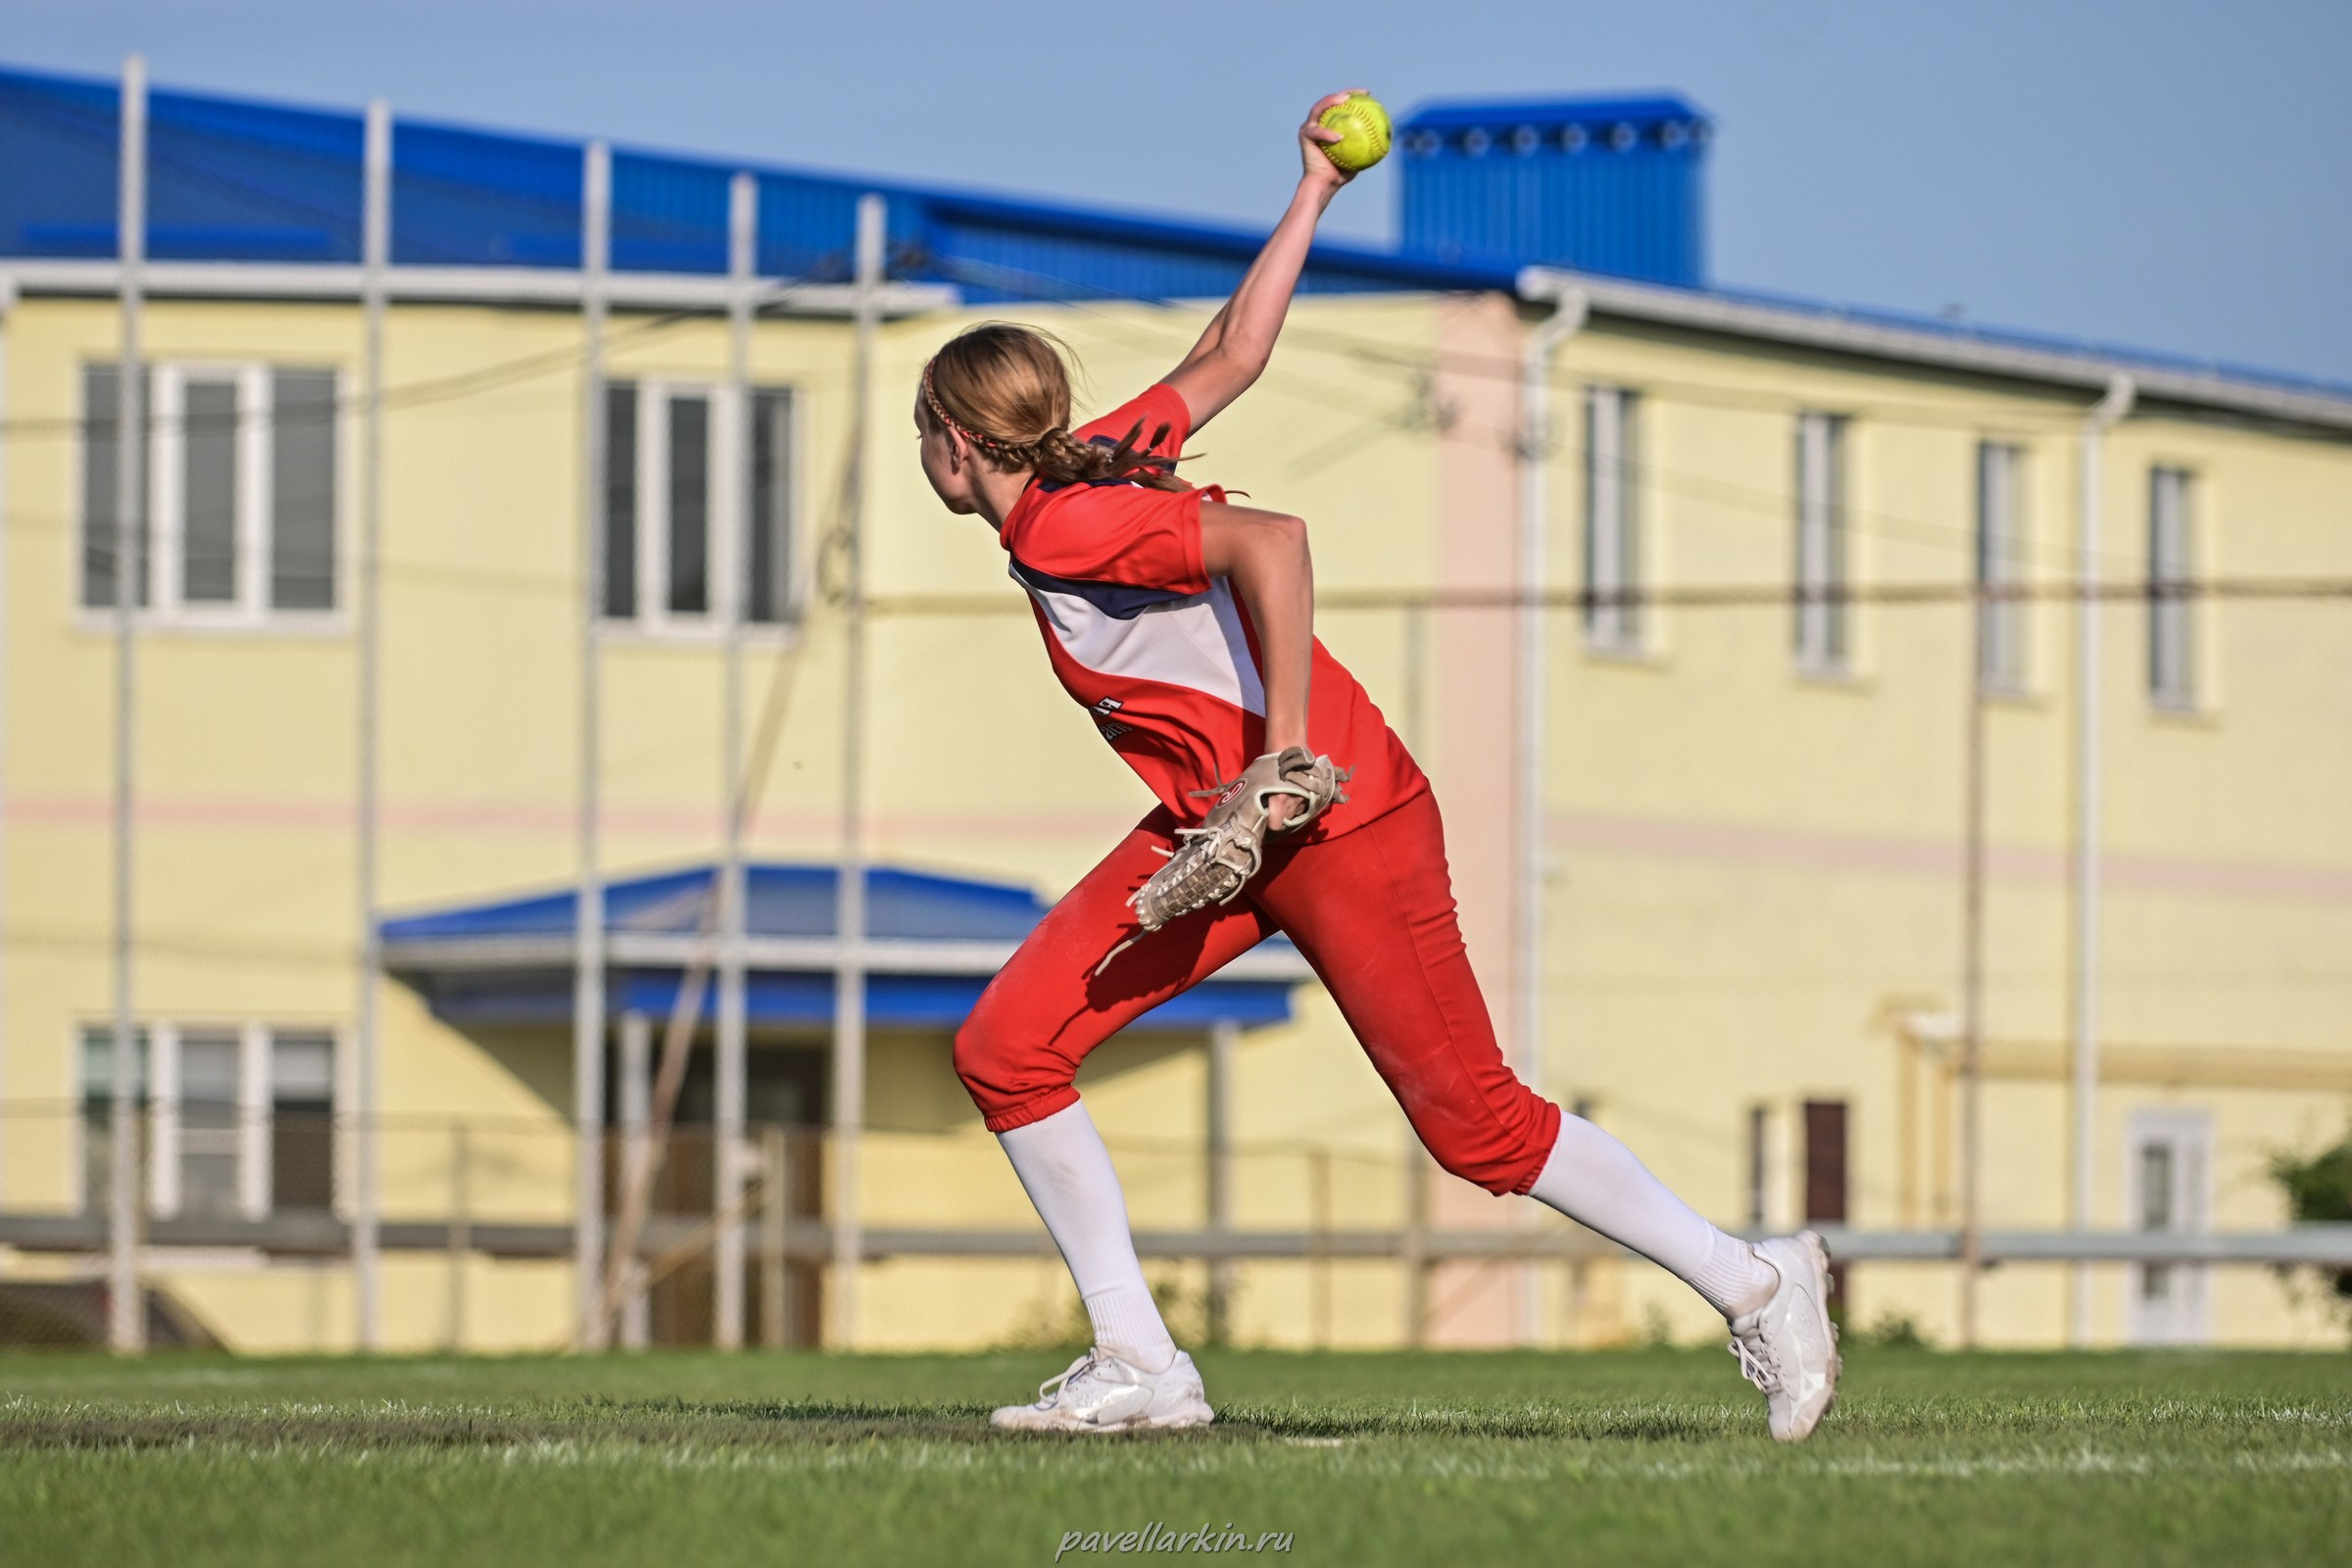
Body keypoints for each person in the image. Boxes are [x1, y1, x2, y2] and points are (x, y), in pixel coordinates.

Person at [913, 91, 1839, 1442]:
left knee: (1479, 1128)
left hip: (1339, 823)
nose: (919, 456)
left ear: (955, 439)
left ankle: (1760, 1284)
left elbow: (1272, 544)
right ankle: (1143, 1362)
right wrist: (1315, 190)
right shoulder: (1096, 467)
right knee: (1009, 1049)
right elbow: (1233, 351)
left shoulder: (1068, 525)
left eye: (921, 434)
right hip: (1217, 837)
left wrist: (1283, 752)